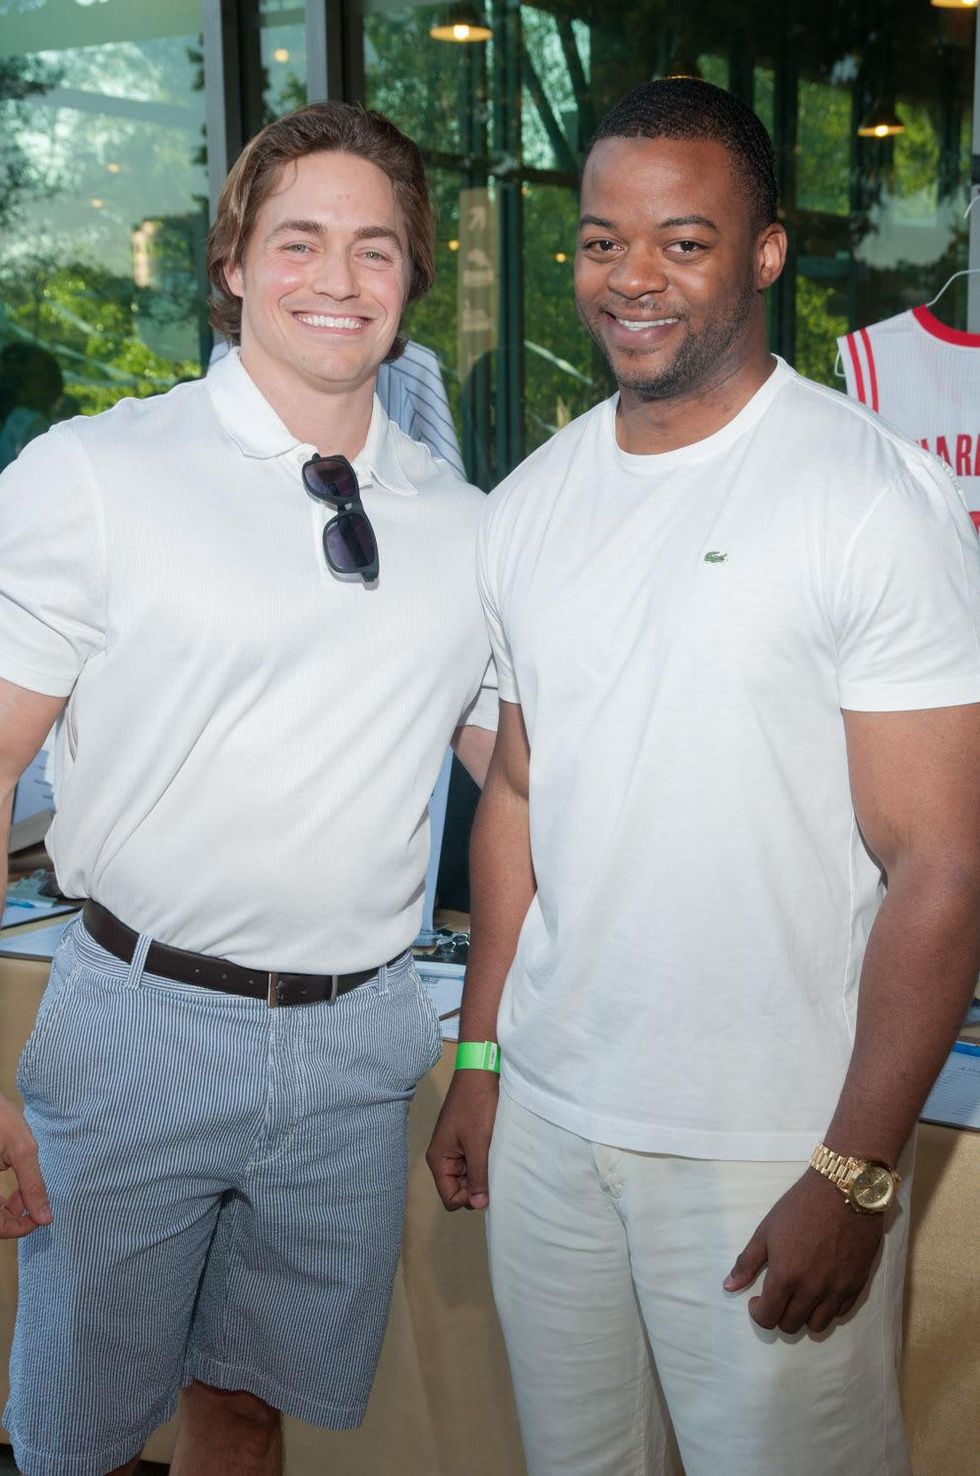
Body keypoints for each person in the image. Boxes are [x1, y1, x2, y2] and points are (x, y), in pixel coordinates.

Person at [427, 77, 980, 1476]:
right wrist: (485, 1054)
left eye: (684, 240)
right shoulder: (533, 501)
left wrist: (857, 1169)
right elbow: (524, 796)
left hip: (765, 1140)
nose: (634, 278)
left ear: (765, 254)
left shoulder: (867, 497)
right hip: (553, 1116)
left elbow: (945, 861)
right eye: (604, 240)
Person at [0, 101, 495, 1476]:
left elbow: (528, 798)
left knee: (250, 1407)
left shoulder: (465, 530)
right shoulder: (98, 475)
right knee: (72, 1437)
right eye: (301, 241)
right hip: (135, 1023)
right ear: (233, 262)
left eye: (376, 249)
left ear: (411, 278)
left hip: (355, 1045)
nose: (338, 281)